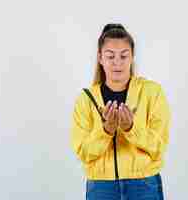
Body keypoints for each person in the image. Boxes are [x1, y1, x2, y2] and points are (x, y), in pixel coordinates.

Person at [70, 23, 171, 200]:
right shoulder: (85, 99)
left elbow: (159, 147)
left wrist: (132, 128)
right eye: (110, 56)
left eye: (124, 56)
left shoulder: (153, 92)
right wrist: (106, 131)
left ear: (132, 57)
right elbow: (83, 152)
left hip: (144, 185)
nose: (117, 63)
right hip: (101, 188)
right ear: (100, 58)